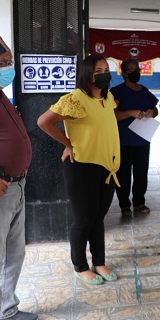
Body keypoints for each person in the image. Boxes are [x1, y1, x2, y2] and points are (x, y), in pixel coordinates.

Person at [37, 54, 120, 285]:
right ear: (87, 74)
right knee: (84, 218)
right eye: (98, 71)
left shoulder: (108, 97)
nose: (104, 74)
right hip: (82, 167)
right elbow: (44, 122)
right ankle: (80, 266)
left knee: (98, 217)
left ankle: (99, 262)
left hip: (108, 166)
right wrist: (68, 144)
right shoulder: (75, 99)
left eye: (106, 69)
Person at [0, 36, 39, 320]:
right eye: (2, 64)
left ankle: (7, 307)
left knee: (13, 253)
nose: (9, 69)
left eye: (9, 63)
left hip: (16, 186)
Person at [110, 59, 158, 216]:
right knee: (123, 175)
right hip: (123, 141)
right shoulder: (116, 92)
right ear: (123, 73)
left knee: (141, 174)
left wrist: (152, 112)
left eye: (137, 69)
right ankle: (124, 205)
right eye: (131, 70)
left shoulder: (144, 91)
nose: (135, 72)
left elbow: (155, 109)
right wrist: (130, 113)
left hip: (143, 140)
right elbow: (111, 115)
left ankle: (139, 202)